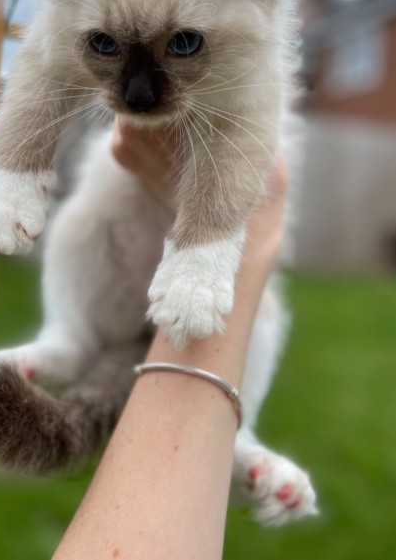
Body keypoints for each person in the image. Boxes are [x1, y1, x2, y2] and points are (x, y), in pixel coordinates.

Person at [52, 117, 288, 560]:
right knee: (77, 224)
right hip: (123, 276)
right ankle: (66, 337)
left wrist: (251, 237)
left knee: (264, 309)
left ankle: (240, 438)